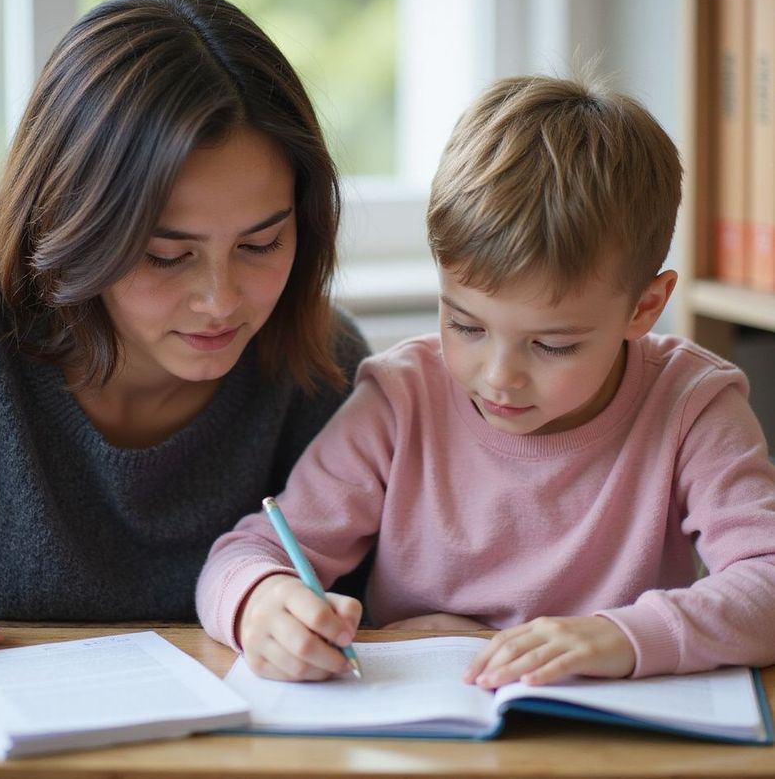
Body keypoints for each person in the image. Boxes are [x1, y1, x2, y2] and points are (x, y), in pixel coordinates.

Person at [199, 74, 775, 688]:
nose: (499, 377)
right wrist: (262, 602)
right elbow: (241, 557)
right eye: (466, 326)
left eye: (553, 344)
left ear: (643, 307)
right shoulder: (400, 399)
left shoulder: (691, 403)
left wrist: (624, 636)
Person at [0, 0, 369, 660]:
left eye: (261, 245)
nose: (221, 301)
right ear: (72, 221)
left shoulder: (318, 361)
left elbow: (377, 612)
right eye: (166, 255)